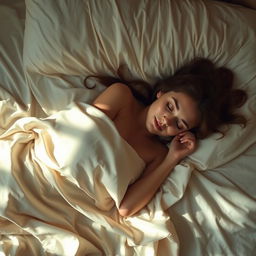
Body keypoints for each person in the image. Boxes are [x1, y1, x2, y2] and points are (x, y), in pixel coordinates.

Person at [84, 57, 247, 217]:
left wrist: (172, 158)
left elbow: (126, 209)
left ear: (182, 132)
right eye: (169, 106)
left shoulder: (158, 154)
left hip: (84, 205)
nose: (167, 120)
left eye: (179, 124)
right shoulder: (121, 96)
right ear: (161, 93)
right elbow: (78, 132)